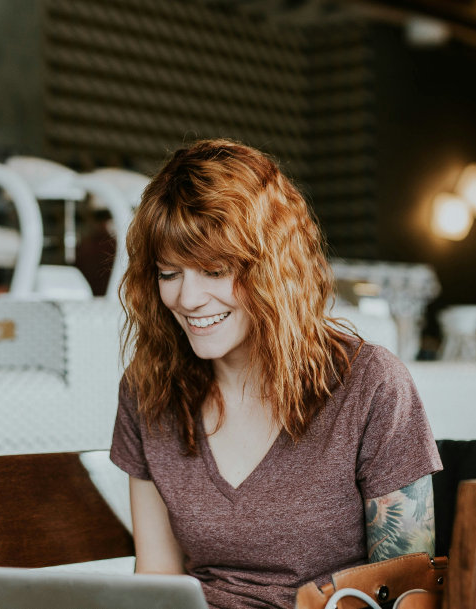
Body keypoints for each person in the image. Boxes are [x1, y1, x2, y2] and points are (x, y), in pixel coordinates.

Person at [109, 139, 442, 609]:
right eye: (169, 273)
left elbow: (410, 597)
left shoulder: (371, 386)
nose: (187, 299)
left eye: (214, 270)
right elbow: (157, 581)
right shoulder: (148, 390)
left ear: (272, 269)